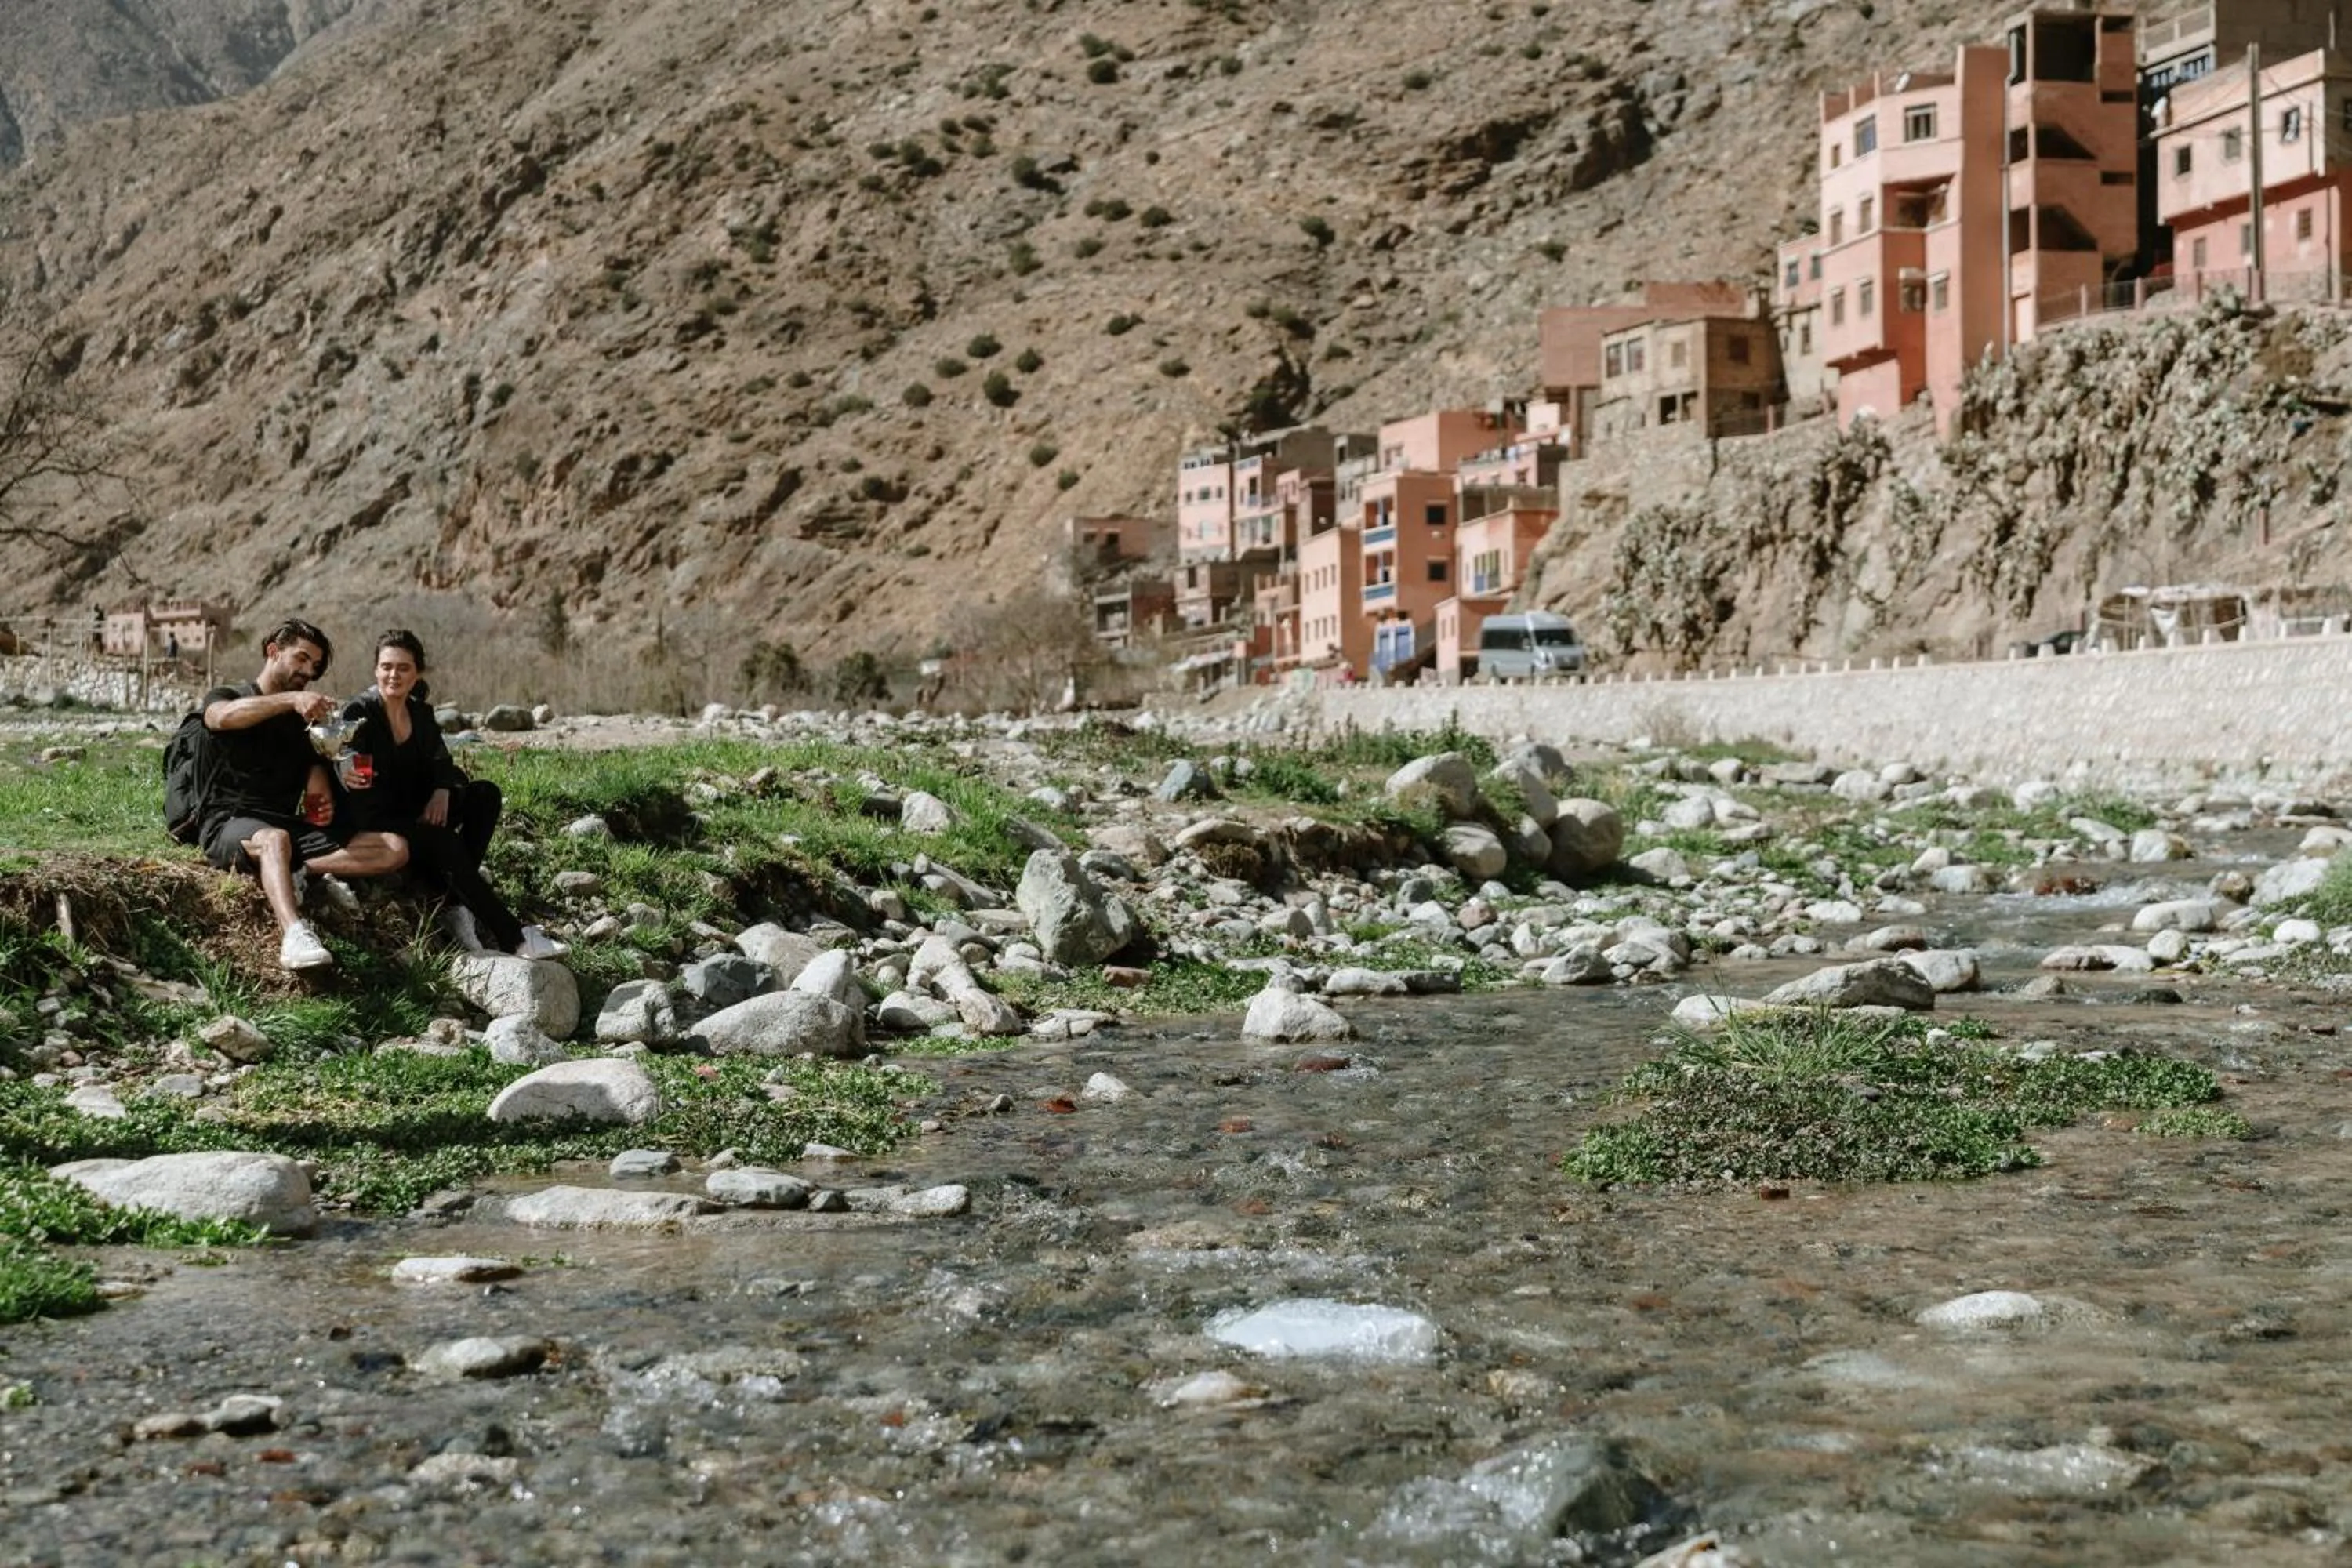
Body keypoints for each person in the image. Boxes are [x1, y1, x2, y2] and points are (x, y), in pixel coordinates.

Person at [339, 630, 565, 961]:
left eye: (403, 668)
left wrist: (443, 790)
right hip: (377, 819)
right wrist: (347, 769)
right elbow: (345, 765)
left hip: (417, 811)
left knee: (485, 794)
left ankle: (452, 901)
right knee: (443, 842)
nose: (394, 675)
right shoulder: (359, 713)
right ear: (375, 670)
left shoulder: (419, 713)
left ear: (417, 673)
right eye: (386, 666)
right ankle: (514, 937)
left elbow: (444, 764)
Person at [198, 618, 409, 971]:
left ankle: (298, 870)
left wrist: (325, 789)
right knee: (275, 840)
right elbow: (220, 718)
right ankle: (293, 934)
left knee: (394, 848)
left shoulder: (302, 725)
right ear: (273, 652)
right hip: (228, 821)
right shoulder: (231, 696)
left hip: (284, 825)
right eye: (301, 659)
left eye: (315, 667)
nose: (308, 672)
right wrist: (292, 699)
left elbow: (317, 789)